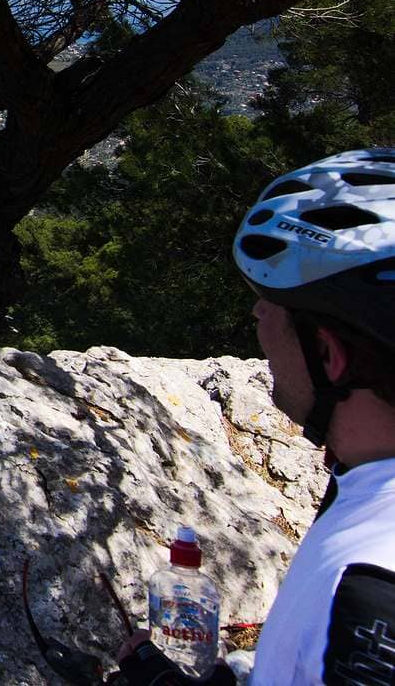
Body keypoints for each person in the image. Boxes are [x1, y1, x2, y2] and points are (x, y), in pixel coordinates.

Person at [115, 148, 395, 685]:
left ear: (329, 353)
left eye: (273, 305)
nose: (257, 316)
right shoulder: (362, 484)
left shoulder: (370, 591)